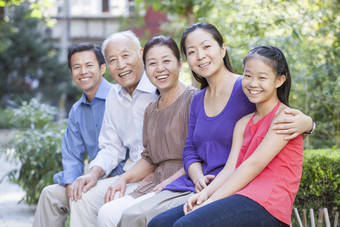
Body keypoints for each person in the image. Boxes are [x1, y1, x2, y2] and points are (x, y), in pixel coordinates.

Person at [119, 22, 314, 227]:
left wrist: (309, 123)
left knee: (184, 225)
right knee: (159, 223)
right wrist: (205, 194)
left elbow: (252, 165)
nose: (253, 83)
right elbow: (230, 168)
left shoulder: (279, 114)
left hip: (265, 200)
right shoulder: (241, 123)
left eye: (261, 78)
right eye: (248, 75)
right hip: (234, 189)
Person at [96, 36, 198, 226]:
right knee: (107, 213)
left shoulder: (195, 100)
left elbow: (201, 154)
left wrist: (170, 180)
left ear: (180, 64)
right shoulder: (151, 109)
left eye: (166, 61)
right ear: (146, 68)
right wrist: (124, 179)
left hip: (185, 181)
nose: (159, 68)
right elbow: (149, 157)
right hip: (156, 179)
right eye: (152, 63)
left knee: (131, 216)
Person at [68, 31, 159, 226]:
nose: (120, 64)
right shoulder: (113, 97)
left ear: (142, 54)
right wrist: (93, 173)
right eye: (113, 60)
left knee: (110, 212)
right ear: (107, 67)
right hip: (130, 174)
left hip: (159, 176)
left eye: (126, 55)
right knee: (81, 197)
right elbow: (111, 147)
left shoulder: (159, 88)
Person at [33, 43, 114, 227]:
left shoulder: (118, 97)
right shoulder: (77, 111)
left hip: (122, 178)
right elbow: (71, 153)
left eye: (89, 65)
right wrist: (71, 182)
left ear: (102, 68)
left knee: (82, 197)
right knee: (51, 195)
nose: (83, 71)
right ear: (72, 73)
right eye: (77, 67)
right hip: (93, 180)